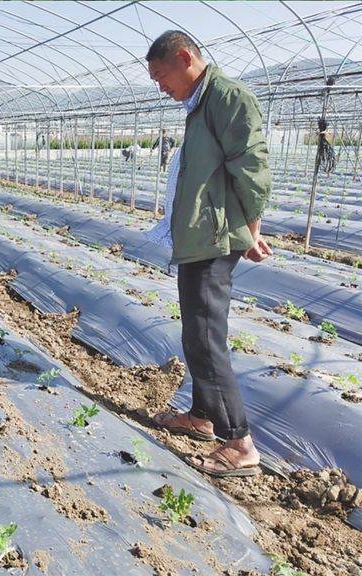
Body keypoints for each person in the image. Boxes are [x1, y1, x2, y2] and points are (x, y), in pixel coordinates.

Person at [144, 30, 272, 477]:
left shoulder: (227, 98)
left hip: (215, 238)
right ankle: (202, 418)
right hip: (199, 236)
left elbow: (252, 168)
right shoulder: (199, 104)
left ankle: (240, 442)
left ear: (184, 58)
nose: (160, 87)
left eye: (161, 76)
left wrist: (252, 230)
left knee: (204, 338)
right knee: (196, 333)